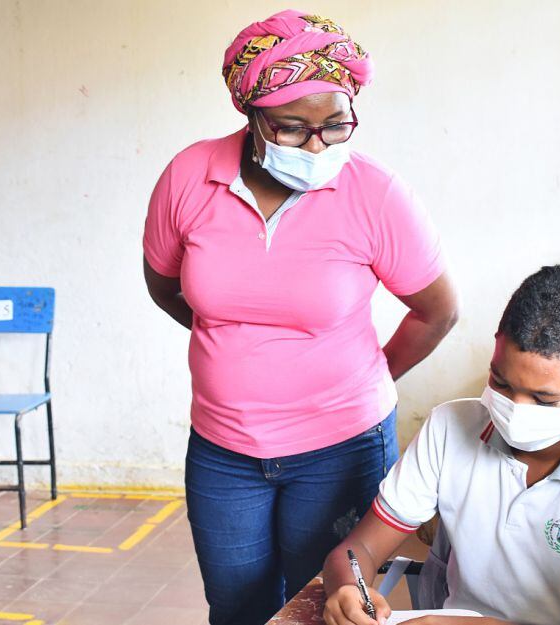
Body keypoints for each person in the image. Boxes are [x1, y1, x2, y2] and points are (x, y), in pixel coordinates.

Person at [142, 9, 459, 625]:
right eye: (292, 128)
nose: (317, 146)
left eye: (335, 126)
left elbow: (437, 311)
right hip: (223, 450)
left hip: (340, 448)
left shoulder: (375, 193)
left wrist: (370, 371)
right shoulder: (189, 176)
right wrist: (233, 345)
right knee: (237, 609)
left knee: (325, 607)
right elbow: (164, 284)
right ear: (252, 115)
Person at [322, 265, 560, 625]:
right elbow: (355, 551)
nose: (516, 408)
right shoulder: (448, 427)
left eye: (545, 401)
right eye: (500, 383)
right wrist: (346, 590)